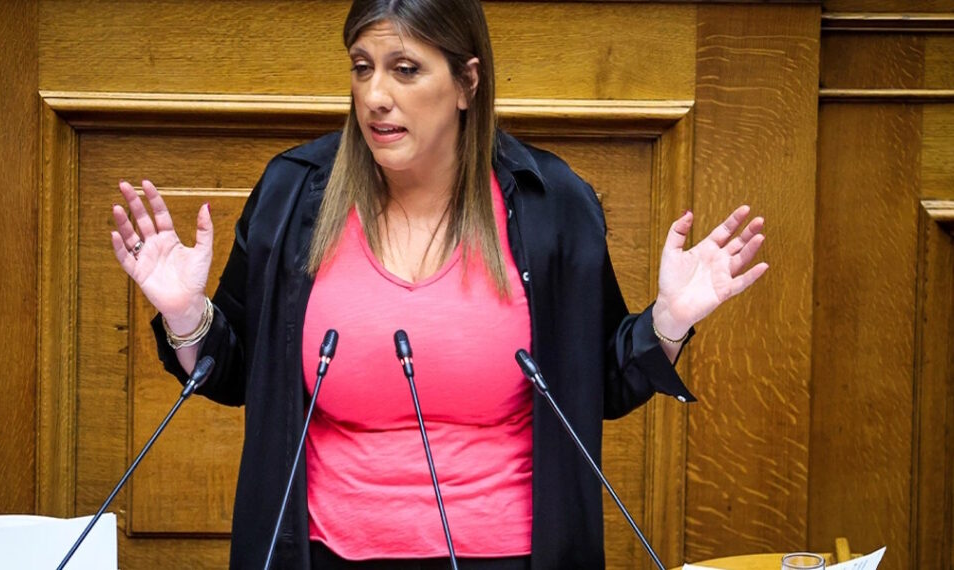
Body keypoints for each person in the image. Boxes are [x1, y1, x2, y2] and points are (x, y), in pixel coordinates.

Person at [109, 1, 767, 568]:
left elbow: (598, 386)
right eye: (361, 67)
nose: (375, 95)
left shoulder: (552, 204)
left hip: (508, 554)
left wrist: (668, 321)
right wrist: (186, 315)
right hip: (319, 550)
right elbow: (233, 374)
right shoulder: (290, 196)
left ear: (465, 83)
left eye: (405, 69)